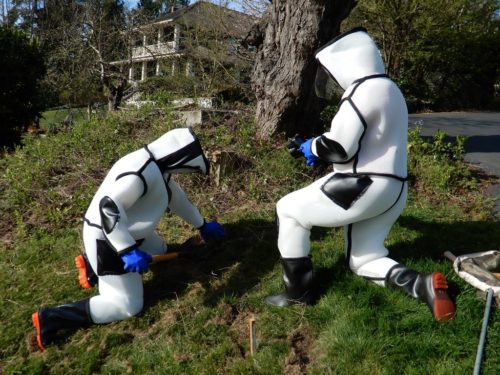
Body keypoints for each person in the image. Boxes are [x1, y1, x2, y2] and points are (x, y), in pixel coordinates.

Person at [265, 27, 456, 322]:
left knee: (288, 209)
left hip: (360, 186)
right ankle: (421, 285)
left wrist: (310, 147)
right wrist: (319, 150)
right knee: (364, 258)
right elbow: (369, 142)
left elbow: (339, 146)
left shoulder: (360, 91)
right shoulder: (392, 90)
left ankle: (298, 294)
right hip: (395, 191)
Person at [31, 127, 225, 350]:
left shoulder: (156, 166)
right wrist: (127, 250)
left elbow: (175, 198)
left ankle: (92, 267)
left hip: (129, 233)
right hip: (106, 239)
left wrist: (201, 223)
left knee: (161, 250)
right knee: (128, 305)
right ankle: (52, 318)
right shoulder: (140, 173)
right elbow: (108, 208)